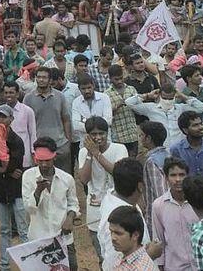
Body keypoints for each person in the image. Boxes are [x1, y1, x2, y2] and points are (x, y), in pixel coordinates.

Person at [22, 137, 80, 271]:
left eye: (47, 160)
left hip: (63, 238)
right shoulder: (28, 177)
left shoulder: (67, 179)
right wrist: (38, 191)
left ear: (55, 157)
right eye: (40, 161)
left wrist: (70, 219)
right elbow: (28, 208)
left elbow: (73, 204)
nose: (43, 165)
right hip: (38, 238)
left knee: (71, 268)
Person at [0, 104, 27, 271]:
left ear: (11, 119)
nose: (1, 120)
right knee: (5, 229)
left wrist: (2, 169)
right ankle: (4, 265)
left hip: (16, 190)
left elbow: (13, 164)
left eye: (4, 117)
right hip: (2, 190)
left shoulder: (16, 140)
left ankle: (26, 265)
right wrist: (2, 170)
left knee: (22, 230)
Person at [79, 116, 128, 262]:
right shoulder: (83, 152)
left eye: (101, 133)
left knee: (119, 254)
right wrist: (89, 153)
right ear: (88, 136)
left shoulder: (119, 148)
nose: (98, 137)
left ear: (107, 133)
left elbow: (118, 173)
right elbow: (83, 179)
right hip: (95, 209)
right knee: (102, 255)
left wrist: (97, 154)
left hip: (117, 207)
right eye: (94, 134)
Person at [97, 158, 157, 271]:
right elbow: (113, 261)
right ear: (140, 186)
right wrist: (150, 254)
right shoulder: (117, 218)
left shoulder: (120, 199)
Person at [150, 157, 198, 271]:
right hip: (174, 267)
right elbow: (159, 240)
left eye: (182, 175)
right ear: (166, 178)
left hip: (200, 265)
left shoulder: (197, 201)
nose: (178, 179)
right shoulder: (158, 205)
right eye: (173, 175)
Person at [24, 67, 73, 174]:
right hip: (39, 146)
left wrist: (68, 141)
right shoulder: (28, 98)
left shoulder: (60, 97)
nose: (41, 80)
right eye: (39, 77)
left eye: (44, 77)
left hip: (60, 146)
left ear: (50, 80)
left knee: (64, 179)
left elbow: (66, 119)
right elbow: (26, 124)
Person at [107, 205, 158, 271]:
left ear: (135, 235)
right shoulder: (123, 254)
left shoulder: (141, 268)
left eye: (118, 233)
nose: (113, 238)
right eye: (111, 232)